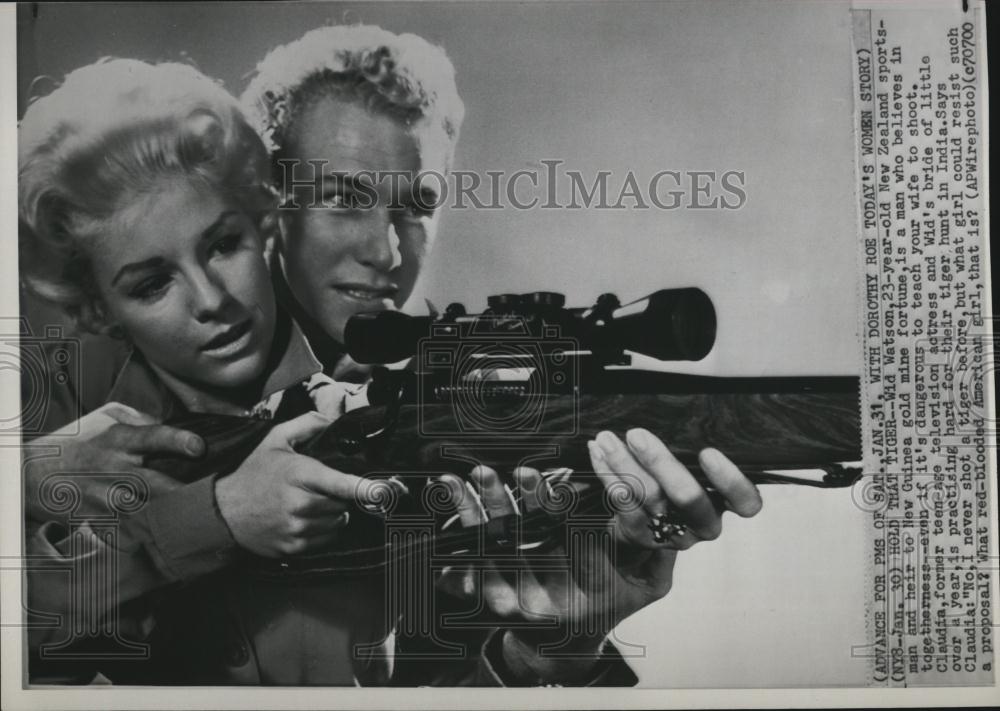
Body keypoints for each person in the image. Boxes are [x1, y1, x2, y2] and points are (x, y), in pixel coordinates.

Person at [21, 27, 762, 686]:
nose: (386, 253)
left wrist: (557, 646)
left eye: (415, 207)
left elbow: (460, 677)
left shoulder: (443, 421)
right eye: (345, 199)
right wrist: (205, 518)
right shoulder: (71, 414)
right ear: (271, 206)